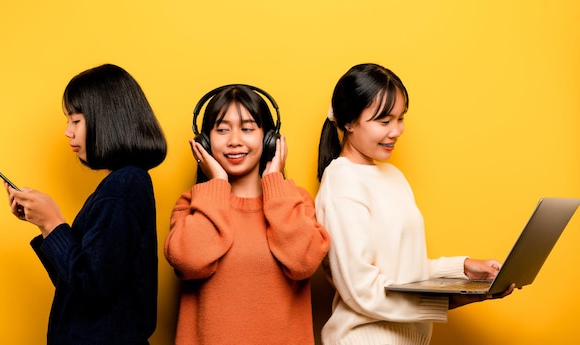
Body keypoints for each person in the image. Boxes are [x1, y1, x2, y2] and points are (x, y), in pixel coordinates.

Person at [314, 63, 515, 345]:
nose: (396, 131)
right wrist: (449, 300)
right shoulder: (342, 182)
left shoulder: (393, 176)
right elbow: (361, 290)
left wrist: (465, 269)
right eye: (384, 121)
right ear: (348, 122)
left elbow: (404, 272)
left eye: (400, 118)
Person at [3, 64, 167, 345]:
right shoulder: (120, 184)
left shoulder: (124, 185)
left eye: (75, 120)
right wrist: (44, 227)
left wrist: (53, 223)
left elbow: (92, 286)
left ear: (107, 119)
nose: (67, 132)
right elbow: (76, 286)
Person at [164, 84, 330, 345]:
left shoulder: (295, 201)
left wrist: (274, 181)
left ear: (269, 139)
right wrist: (217, 182)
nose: (234, 140)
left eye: (247, 128)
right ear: (205, 141)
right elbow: (189, 261)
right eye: (222, 129)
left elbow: (303, 263)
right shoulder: (192, 204)